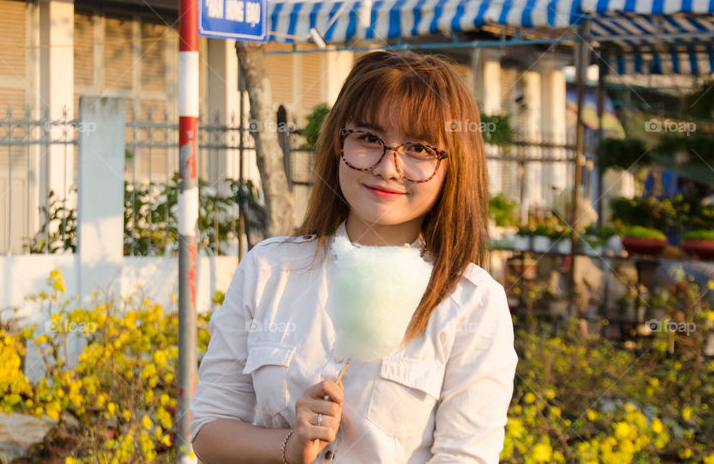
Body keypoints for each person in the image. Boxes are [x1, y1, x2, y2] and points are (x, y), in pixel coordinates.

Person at [190, 51, 517, 463]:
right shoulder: (269, 270)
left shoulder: (470, 302)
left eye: (419, 148)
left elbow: (465, 456)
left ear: (454, 164)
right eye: (368, 138)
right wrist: (290, 446)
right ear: (338, 141)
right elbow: (208, 429)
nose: (388, 167)